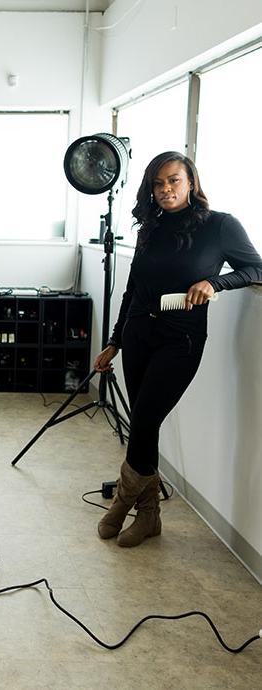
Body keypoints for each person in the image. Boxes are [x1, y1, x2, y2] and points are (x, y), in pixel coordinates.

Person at [94, 151, 262, 547]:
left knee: (147, 417)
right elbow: (133, 289)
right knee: (143, 421)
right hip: (138, 334)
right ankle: (149, 516)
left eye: (173, 180)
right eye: (158, 183)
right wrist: (115, 341)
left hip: (181, 339)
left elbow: (256, 267)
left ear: (191, 182)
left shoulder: (220, 226)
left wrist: (215, 284)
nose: (166, 189)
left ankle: (122, 503)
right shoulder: (148, 228)